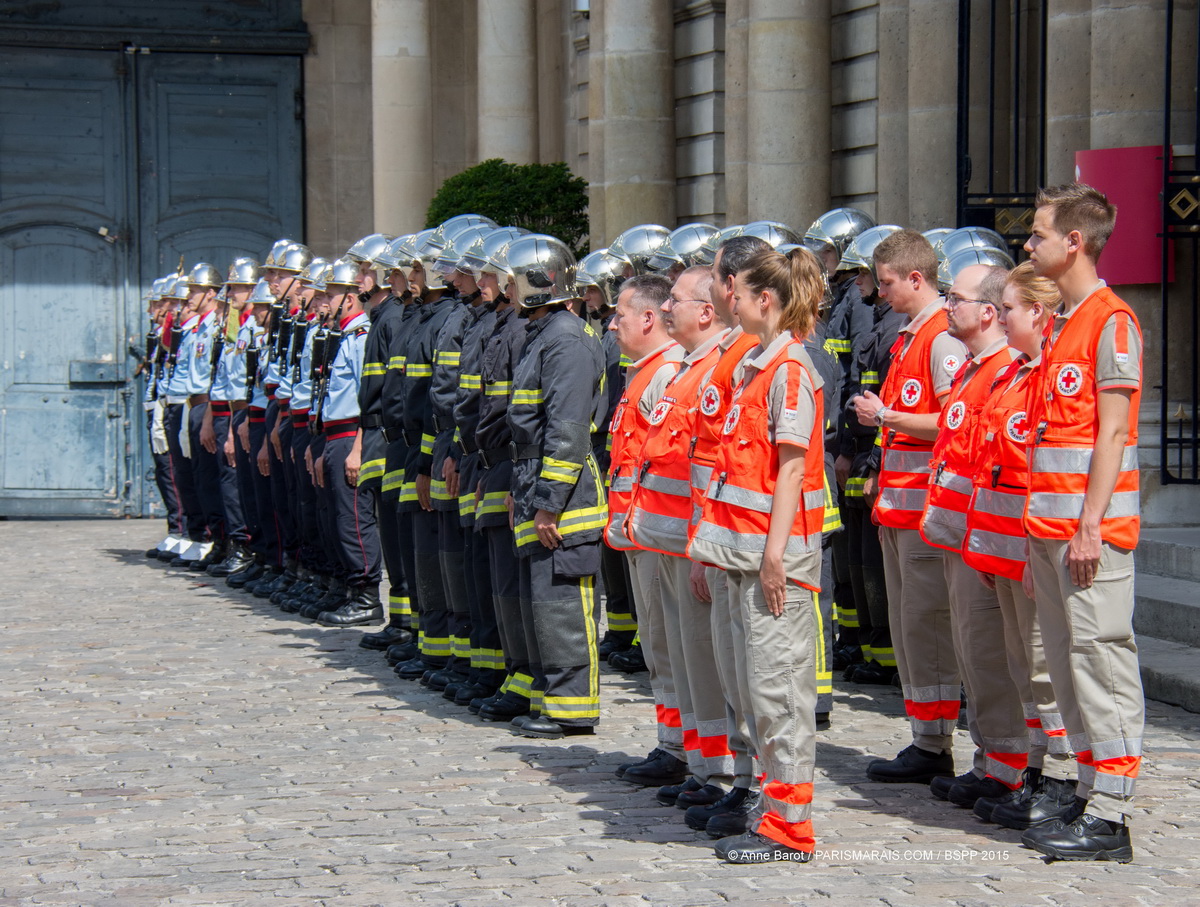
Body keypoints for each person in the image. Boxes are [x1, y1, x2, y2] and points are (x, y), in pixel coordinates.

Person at [688, 245, 827, 863]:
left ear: (763, 300)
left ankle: (790, 829)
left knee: (780, 694)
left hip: (776, 560)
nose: (730, 303)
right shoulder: (759, 365)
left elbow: (792, 472)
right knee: (757, 690)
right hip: (744, 555)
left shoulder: (790, 369)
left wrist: (774, 558)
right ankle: (770, 811)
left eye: (737, 294)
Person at [1018, 183, 1143, 863]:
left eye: (1038, 234)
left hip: (1089, 535)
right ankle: (1091, 789)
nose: (1028, 245)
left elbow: (1114, 432)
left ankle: (1114, 814)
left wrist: (1091, 524)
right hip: (1052, 532)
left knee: (1101, 662)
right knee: (1070, 669)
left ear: (1075, 241)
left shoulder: (1110, 320)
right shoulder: (1065, 321)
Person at [961, 262, 1077, 830]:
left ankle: (1059, 777)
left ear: (1039, 311)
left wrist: (1031, 553)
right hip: (1000, 547)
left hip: (1026, 550)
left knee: (1040, 670)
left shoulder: (1042, 376)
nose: (1000, 317)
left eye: (1008, 308)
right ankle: (1033, 768)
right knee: (1019, 666)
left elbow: (1039, 473)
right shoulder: (1017, 375)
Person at [853, 231, 967, 784]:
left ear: (916, 278)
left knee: (928, 629)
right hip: (899, 511)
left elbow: (954, 421)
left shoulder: (941, 339)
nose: (881, 293)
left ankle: (933, 741)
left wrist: (889, 418)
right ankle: (926, 735)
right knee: (909, 630)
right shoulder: (909, 336)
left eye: (889, 282)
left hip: (924, 513)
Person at [624, 265, 737, 810]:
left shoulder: (714, 370)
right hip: (664, 538)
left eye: (676, 300)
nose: (667, 309)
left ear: (707, 310)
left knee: (703, 661)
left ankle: (717, 768)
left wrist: (700, 547)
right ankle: (700, 762)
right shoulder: (686, 370)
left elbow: (712, 470)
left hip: (690, 545)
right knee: (683, 659)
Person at [918, 263, 1028, 809]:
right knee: (972, 649)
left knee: (989, 653)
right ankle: (990, 760)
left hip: (983, 538)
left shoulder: (1003, 368)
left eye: (955, 298)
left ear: (988, 311)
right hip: (960, 534)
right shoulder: (974, 369)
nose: (946, 306)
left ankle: (1008, 768)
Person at [504, 234, 607, 739]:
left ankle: (572, 706)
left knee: (562, 602)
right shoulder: (546, 334)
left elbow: (566, 432)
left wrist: (547, 504)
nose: (505, 288)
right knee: (540, 602)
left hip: (564, 497)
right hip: (534, 483)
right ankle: (551, 698)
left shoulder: (566, 339)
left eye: (512, 279)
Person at [605, 275, 686, 781]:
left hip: (661, 535)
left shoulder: (666, 374)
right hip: (641, 533)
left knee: (670, 648)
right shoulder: (643, 373)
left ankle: (683, 749)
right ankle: (674, 743)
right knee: (658, 645)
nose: (611, 324)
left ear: (649, 319)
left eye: (620, 315)